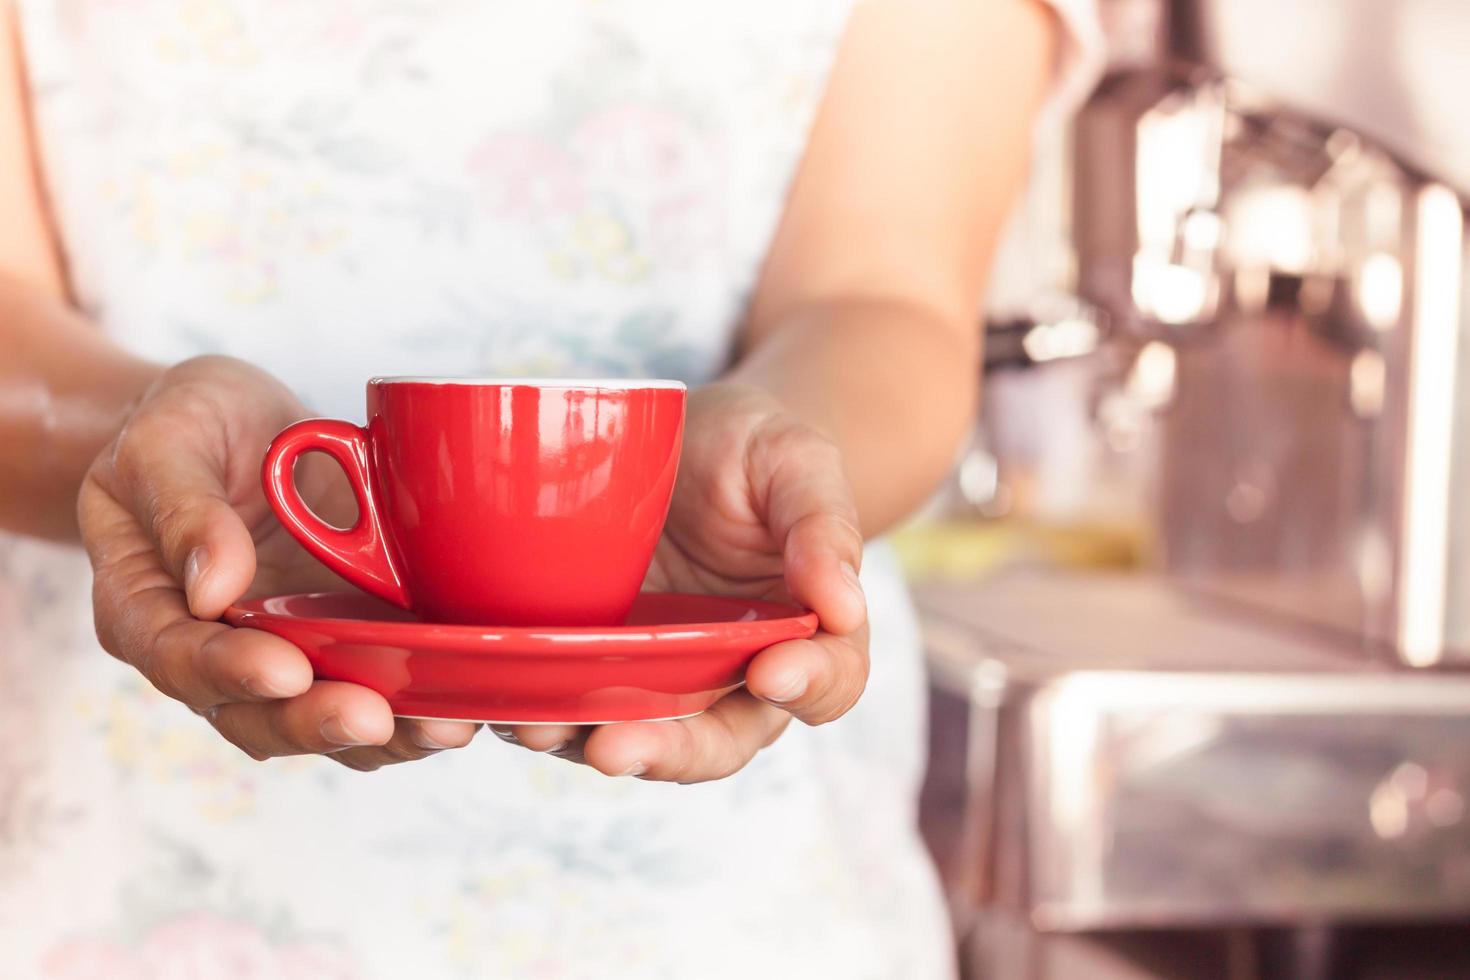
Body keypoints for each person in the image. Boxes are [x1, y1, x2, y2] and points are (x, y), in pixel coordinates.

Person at [0, 0, 1099, 976]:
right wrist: (141, 446)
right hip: (108, 869)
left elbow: (884, 296)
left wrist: (781, 456)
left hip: (734, 907)